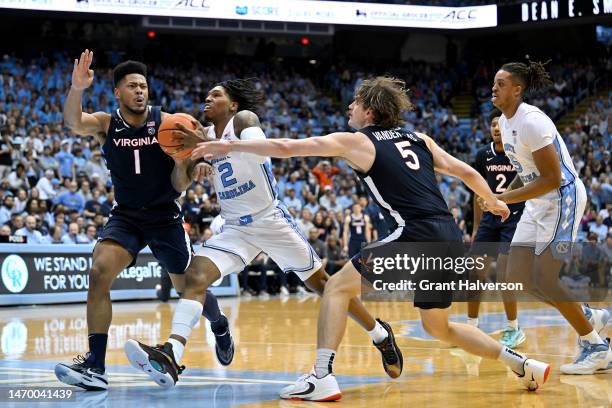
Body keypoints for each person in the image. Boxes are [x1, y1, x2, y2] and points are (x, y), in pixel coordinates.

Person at [191, 76, 551, 400]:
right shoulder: (419, 138)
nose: (349, 107)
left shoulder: (358, 142)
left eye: (355, 102)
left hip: (414, 235)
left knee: (335, 289)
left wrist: (230, 147)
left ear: (370, 110)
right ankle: (521, 363)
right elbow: (466, 172)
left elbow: (286, 148)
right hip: (448, 235)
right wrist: (493, 201)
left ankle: (322, 376)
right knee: (437, 326)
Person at [123, 78, 402, 389]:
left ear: (232, 105)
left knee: (324, 286)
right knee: (194, 279)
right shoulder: (204, 138)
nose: (207, 98)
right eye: (208, 94)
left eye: (216, 95)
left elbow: (260, 154)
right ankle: (172, 352)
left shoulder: (244, 120)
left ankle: (379, 333)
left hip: (270, 221)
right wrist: (189, 159)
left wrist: (215, 152)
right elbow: (180, 183)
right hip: (235, 229)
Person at [54, 50, 231, 392]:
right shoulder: (107, 123)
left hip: (165, 215)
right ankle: (96, 365)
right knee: (98, 271)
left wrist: (184, 164)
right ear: (118, 92)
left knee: (189, 289)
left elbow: (180, 185)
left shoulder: (169, 123)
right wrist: (77, 89)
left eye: (143, 86)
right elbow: (75, 123)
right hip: (127, 217)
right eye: (132, 86)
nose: (139, 91)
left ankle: (219, 325)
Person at [489, 61, 610, 374]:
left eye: (501, 83)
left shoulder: (533, 122)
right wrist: (508, 201)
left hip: (562, 200)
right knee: (519, 277)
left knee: (545, 277)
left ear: (517, 89)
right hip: (536, 204)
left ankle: (596, 347)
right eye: (494, 82)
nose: (494, 87)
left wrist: (503, 198)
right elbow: (525, 174)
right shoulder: (504, 121)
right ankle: (588, 315)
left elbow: (552, 179)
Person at [468, 109, 526, 348]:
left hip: (513, 219)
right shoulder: (483, 155)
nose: (495, 128)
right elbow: (476, 191)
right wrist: (476, 225)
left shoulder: (519, 154)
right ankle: (471, 326)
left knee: (504, 275)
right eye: (492, 124)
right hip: (489, 221)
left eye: (499, 124)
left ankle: (514, 327)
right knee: (475, 272)